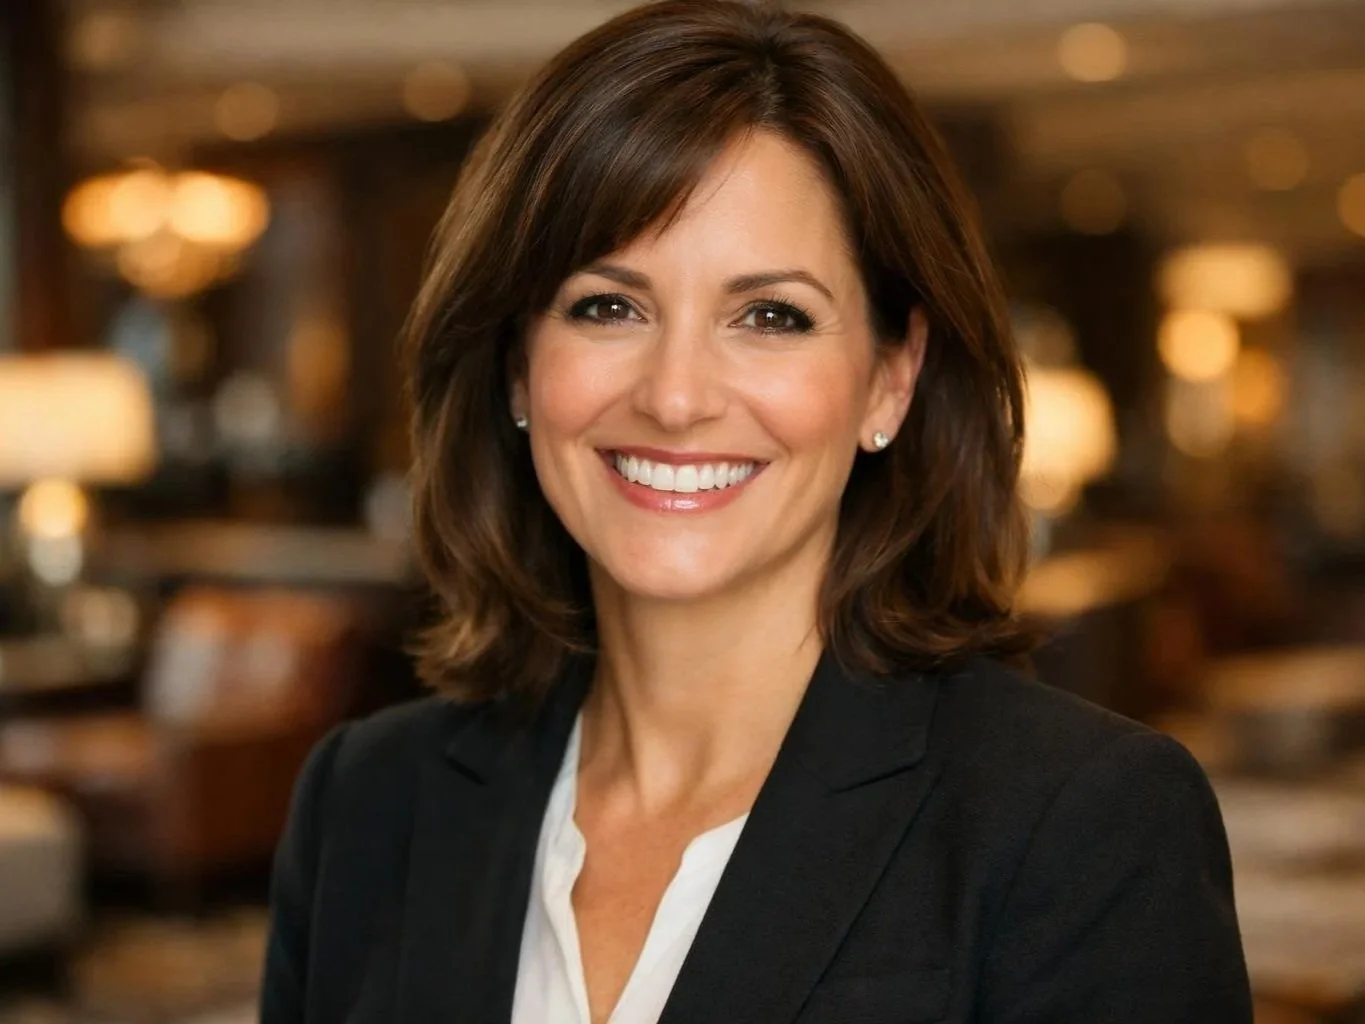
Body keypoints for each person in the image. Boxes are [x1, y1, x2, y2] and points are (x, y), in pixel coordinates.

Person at [260, 1, 1252, 1021]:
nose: (677, 395)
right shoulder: (367, 800)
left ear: (889, 379)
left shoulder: (1082, 823)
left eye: (771, 316)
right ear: (519, 359)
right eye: (608, 305)